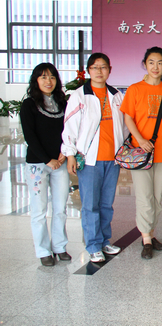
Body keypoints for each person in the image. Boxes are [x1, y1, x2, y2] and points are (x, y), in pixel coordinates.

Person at [62, 53, 127, 263]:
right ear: (88, 70)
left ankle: (105, 241)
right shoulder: (80, 96)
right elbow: (70, 127)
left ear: (110, 69)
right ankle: (93, 245)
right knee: (91, 205)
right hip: (90, 160)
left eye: (103, 67)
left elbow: (125, 126)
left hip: (112, 159)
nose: (99, 71)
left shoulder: (116, 95)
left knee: (107, 204)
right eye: (95, 67)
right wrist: (70, 154)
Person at [120, 47, 162, 259]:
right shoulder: (134, 89)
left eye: (160, 62)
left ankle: (151, 234)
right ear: (145, 64)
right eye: (151, 62)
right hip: (141, 152)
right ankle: (146, 239)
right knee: (144, 197)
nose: (155, 67)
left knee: (157, 198)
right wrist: (141, 139)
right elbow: (128, 118)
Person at [21, 63, 70, 266]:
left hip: (60, 163)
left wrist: (63, 153)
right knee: (39, 210)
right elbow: (29, 136)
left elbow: (69, 130)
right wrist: (47, 159)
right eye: (43, 77)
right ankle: (43, 251)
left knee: (60, 208)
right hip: (37, 165)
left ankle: (60, 247)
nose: (48, 81)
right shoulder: (29, 104)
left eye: (52, 77)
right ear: (36, 80)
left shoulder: (63, 103)